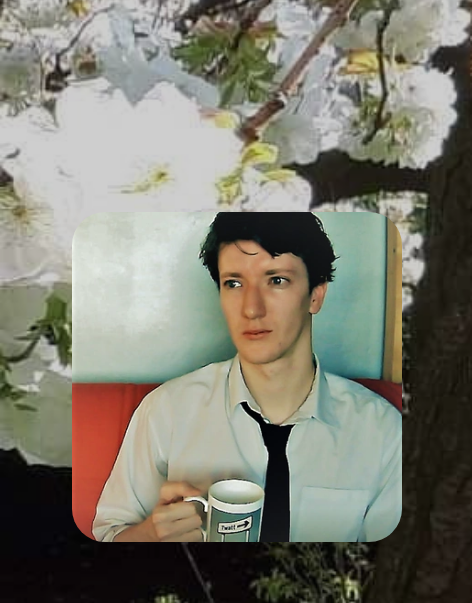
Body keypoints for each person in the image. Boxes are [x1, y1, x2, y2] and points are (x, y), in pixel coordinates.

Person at [93, 212, 402, 542]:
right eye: (234, 284)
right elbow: (108, 535)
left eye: (277, 280)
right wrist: (150, 536)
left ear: (316, 295)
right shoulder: (165, 412)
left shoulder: (382, 432)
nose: (251, 309)